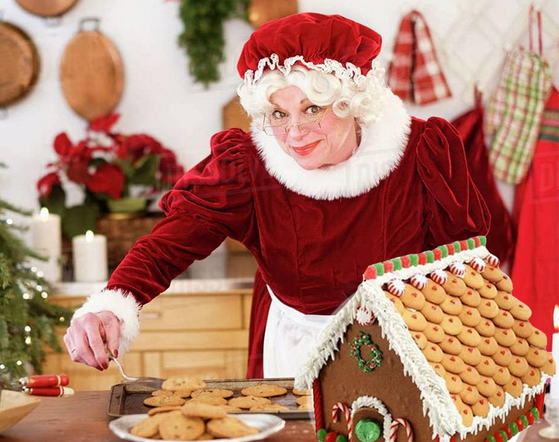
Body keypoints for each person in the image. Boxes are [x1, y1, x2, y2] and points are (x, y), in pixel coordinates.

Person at [64, 13, 490, 378]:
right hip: (291, 352)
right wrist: (113, 304)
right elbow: (169, 244)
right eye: (278, 114)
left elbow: (463, 269)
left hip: (405, 353)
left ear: (350, 103)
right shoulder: (247, 165)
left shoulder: (421, 153)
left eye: (312, 109)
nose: (294, 133)